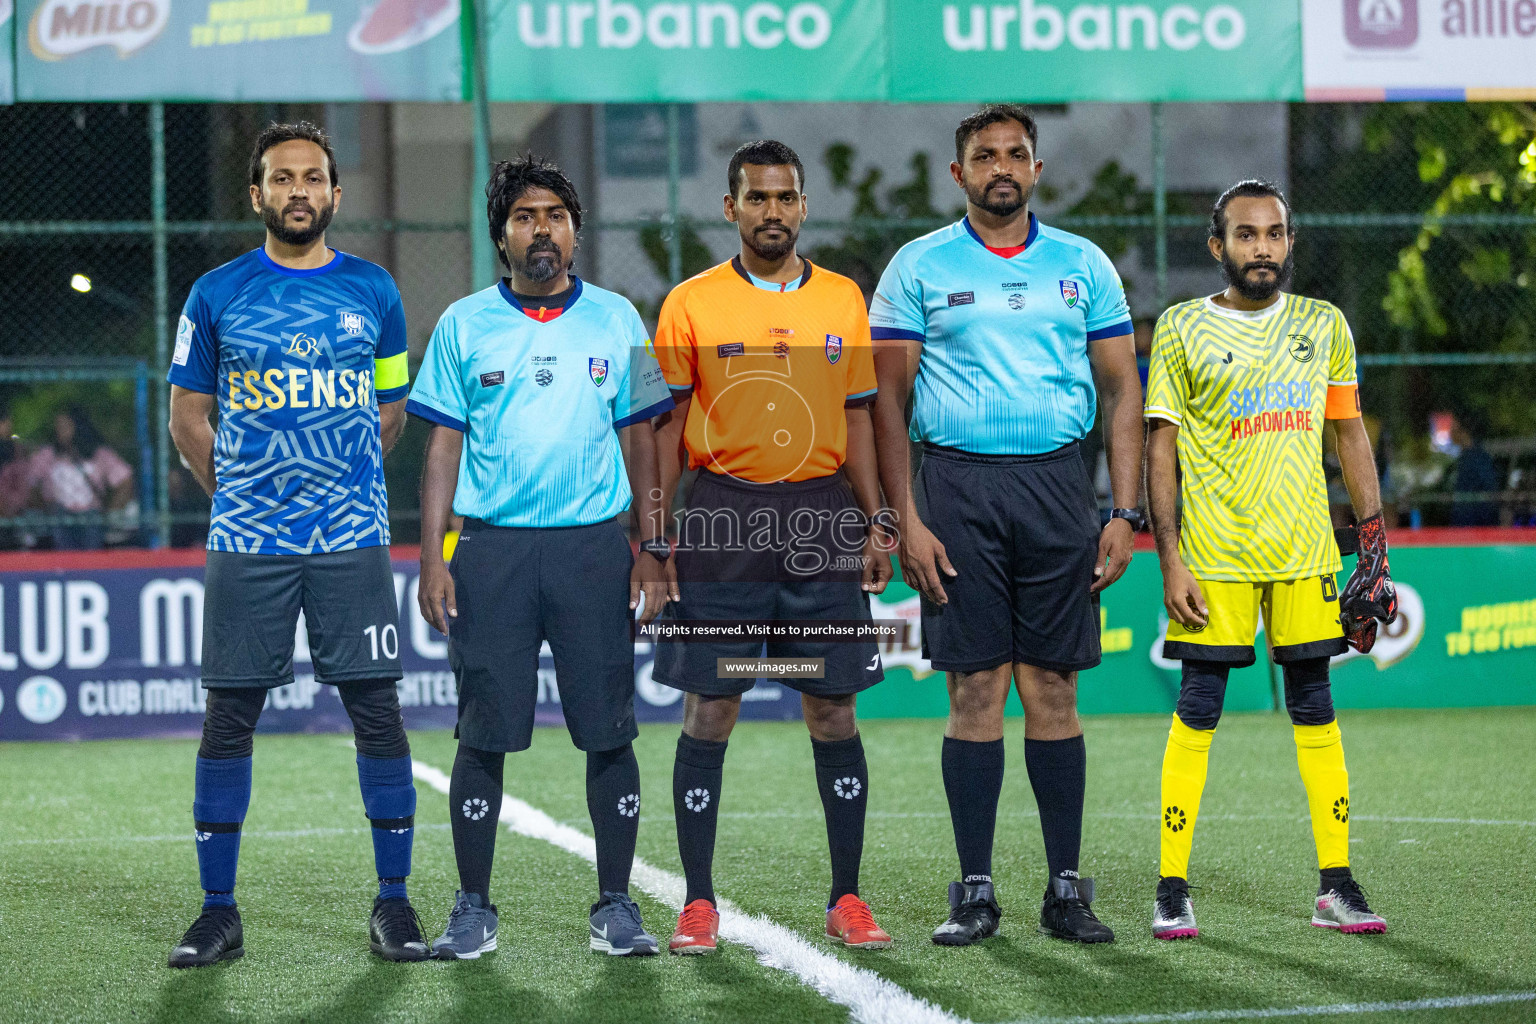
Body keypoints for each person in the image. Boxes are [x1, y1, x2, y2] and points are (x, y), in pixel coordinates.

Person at [869, 105, 1143, 946]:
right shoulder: (918, 266)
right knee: (975, 690)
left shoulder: (1083, 264)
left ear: (1036, 167)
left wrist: (1123, 511)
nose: (1001, 166)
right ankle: (976, 891)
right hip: (956, 489)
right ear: (958, 174)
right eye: (984, 155)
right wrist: (904, 518)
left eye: (1015, 154)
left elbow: (1122, 391)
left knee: (1054, 689)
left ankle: (1066, 889)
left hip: (1060, 489)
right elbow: (886, 398)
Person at [165, 121, 424, 967]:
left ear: (335, 193)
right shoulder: (215, 293)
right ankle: (218, 912)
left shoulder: (375, 290)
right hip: (249, 540)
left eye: (313, 177)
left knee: (376, 710)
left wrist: (331, 486)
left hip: (350, 537)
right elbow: (186, 419)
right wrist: (244, 495)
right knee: (228, 715)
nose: (299, 191)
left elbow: (391, 414)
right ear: (258, 194)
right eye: (282, 179)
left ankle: (393, 905)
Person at [411, 155, 674, 960]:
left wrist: (654, 548)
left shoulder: (622, 318)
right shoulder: (462, 324)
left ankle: (616, 906)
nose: (543, 229)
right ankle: (473, 907)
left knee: (608, 731)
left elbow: (646, 438)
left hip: (594, 549)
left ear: (576, 229)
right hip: (490, 551)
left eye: (556, 214)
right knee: (482, 733)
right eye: (526, 216)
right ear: (502, 235)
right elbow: (441, 449)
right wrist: (433, 556)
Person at [650, 140, 895, 955]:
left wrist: (875, 520)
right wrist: (657, 537)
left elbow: (858, 418)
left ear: (801, 206)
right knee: (714, 704)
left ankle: (847, 897)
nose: (773, 212)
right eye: (757, 198)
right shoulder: (690, 303)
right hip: (725, 518)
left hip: (823, 522)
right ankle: (697, 902)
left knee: (829, 705)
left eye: (786, 197)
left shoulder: (843, 299)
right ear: (731, 209)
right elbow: (666, 428)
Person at [1145, 179, 1396, 941]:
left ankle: (1336, 886)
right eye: (1246, 235)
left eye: (1275, 234)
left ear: (1290, 243)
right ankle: (1171, 887)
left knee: (1316, 708)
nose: (1263, 248)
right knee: (1197, 710)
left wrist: (1374, 545)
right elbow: (1161, 446)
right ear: (1217, 246)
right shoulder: (1182, 328)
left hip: (1306, 555)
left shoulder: (1323, 325)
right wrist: (1170, 557)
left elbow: (1349, 434)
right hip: (1215, 558)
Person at [32, 406, 135, 550]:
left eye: (65, 426)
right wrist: (44, 508)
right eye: (58, 426)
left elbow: (125, 480)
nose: (60, 431)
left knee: (90, 552)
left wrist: (110, 513)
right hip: (59, 517)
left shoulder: (99, 454)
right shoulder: (48, 455)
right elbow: (29, 482)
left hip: (90, 517)